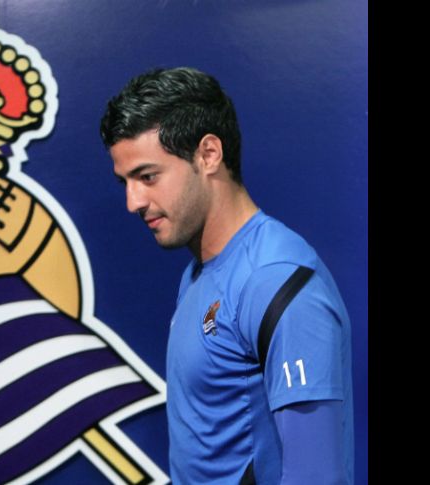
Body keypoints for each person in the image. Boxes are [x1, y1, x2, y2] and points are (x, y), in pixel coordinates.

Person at [100, 67, 353, 484]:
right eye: (125, 181)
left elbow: (317, 475)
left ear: (209, 154)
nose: (133, 201)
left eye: (147, 177)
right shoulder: (199, 271)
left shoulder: (275, 282)